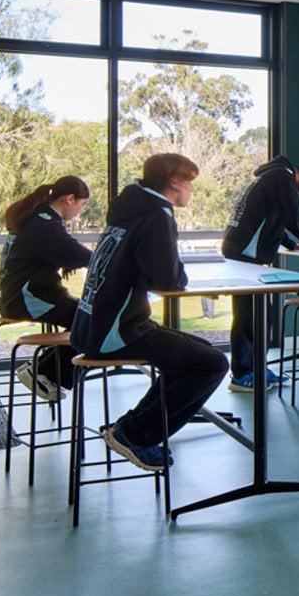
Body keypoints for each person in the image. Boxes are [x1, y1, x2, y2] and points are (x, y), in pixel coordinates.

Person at [71, 154, 228, 472]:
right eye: (189, 182)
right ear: (173, 181)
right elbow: (169, 280)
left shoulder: (129, 210)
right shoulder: (157, 215)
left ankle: (133, 427)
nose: (190, 190)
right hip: (117, 331)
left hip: (92, 325)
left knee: (201, 353)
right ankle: (135, 434)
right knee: (212, 364)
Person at [220, 156, 299, 392]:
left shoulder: (273, 177)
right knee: (250, 316)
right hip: (245, 254)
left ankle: (257, 369)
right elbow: (292, 214)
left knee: (260, 315)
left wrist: (292, 245)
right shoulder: (281, 177)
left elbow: (274, 217)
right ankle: (242, 375)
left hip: (244, 252)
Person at [0, 175, 93, 400]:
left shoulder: (37, 218)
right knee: (93, 320)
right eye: (82, 205)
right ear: (70, 199)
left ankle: (43, 368)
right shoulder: (44, 225)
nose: (80, 211)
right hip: (26, 298)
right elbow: (78, 254)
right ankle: (44, 372)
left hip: (15, 296)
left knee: (90, 317)